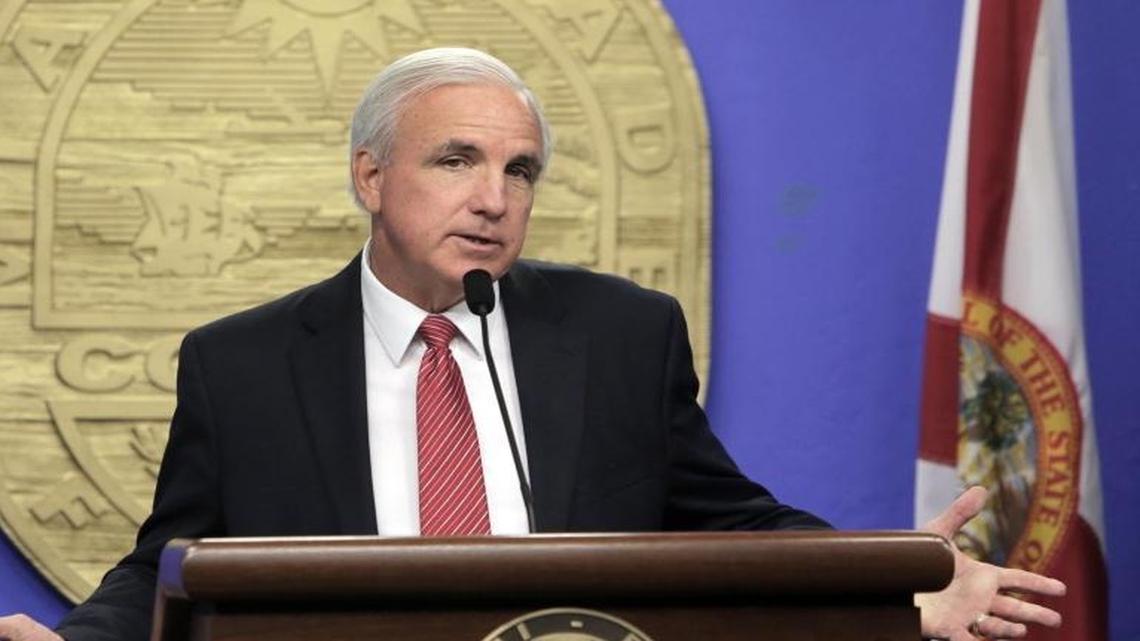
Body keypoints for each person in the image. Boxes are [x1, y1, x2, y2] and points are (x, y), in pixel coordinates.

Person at [0, 47, 1064, 641]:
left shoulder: (620, 332)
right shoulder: (242, 363)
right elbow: (172, 562)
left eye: (520, 172)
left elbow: (734, 523)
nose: (494, 198)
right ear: (371, 176)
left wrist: (896, 580)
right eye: (457, 159)